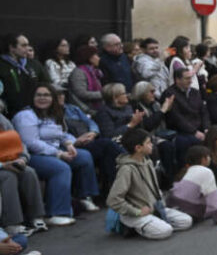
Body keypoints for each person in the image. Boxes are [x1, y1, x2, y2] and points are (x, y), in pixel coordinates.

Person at [13, 82, 102, 224]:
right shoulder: (25, 116)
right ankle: (56, 212)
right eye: (39, 95)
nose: (43, 98)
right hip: (32, 156)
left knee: (84, 156)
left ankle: (84, 197)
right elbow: (31, 143)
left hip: (54, 151)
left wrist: (69, 144)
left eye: (47, 95)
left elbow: (62, 134)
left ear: (53, 98)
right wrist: (59, 154)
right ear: (32, 97)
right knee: (60, 168)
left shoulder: (53, 113)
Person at [106, 128, 192, 239]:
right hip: (137, 213)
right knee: (165, 231)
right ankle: (131, 226)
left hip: (154, 208)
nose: (152, 145)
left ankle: (155, 223)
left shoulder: (148, 162)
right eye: (148, 143)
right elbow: (113, 199)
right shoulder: (126, 169)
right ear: (138, 148)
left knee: (186, 221)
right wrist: (136, 212)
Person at [59, 88, 125, 193]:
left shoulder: (73, 109)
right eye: (56, 94)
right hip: (72, 144)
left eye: (62, 94)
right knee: (107, 144)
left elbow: (90, 122)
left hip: (89, 139)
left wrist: (93, 132)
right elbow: (57, 133)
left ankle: (117, 190)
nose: (60, 96)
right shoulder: (51, 113)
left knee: (108, 154)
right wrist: (75, 140)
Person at [0, 108, 46, 235]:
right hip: (2, 166)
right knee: (7, 176)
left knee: (28, 172)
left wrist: (23, 158)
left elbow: (18, 142)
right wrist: (3, 165)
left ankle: (36, 217)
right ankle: (12, 223)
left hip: (9, 160)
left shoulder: (3, 120)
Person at [165, 145, 217, 225]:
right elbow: (212, 197)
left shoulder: (187, 170)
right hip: (186, 210)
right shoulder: (205, 171)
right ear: (203, 159)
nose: (210, 159)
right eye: (208, 156)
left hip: (173, 206)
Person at [161, 67, 208, 165]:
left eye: (191, 78)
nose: (190, 81)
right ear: (177, 80)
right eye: (187, 78)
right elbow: (176, 118)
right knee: (191, 142)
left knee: (216, 134)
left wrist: (206, 128)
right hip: (181, 131)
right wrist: (194, 132)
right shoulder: (169, 93)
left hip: (199, 128)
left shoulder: (195, 92)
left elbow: (204, 112)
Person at [1, 33, 38, 117]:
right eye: (24, 45)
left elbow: (45, 83)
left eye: (28, 45)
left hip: (34, 110)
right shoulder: (2, 65)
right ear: (12, 48)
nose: (27, 48)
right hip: (11, 113)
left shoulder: (32, 64)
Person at [67, 44, 104, 114]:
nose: (99, 58)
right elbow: (81, 93)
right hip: (84, 109)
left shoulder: (95, 72)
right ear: (89, 58)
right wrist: (104, 94)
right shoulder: (78, 73)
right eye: (96, 55)